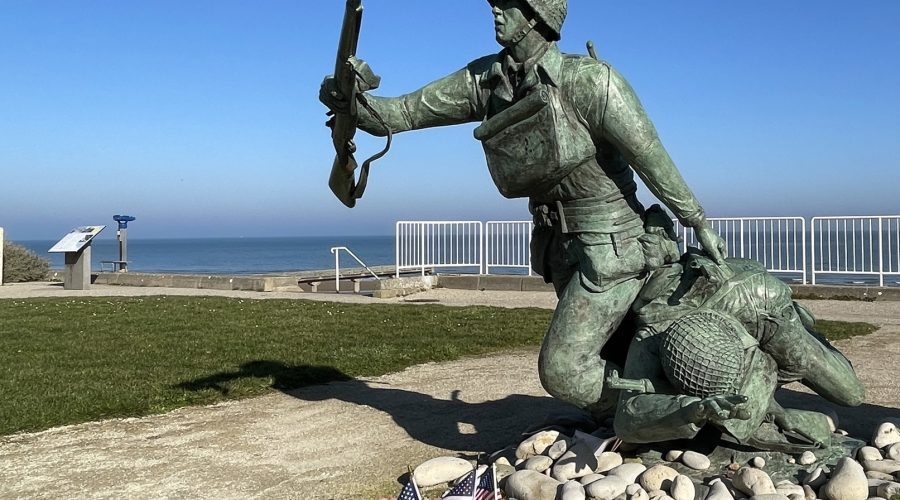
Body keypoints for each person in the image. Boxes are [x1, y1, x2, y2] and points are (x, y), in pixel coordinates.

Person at [320, 0, 726, 418]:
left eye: (507, 4)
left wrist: (696, 221)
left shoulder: (590, 82)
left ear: (538, 15)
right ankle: (645, 421)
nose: (495, 11)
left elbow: (650, 156)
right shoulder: (486, 80)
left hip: (614, 246)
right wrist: (350, 100)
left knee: (563, 370)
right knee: (615, 351)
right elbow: (401, 113)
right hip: (558, 248)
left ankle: (676, 416)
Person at [612, 252, 865, 449]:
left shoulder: (759, 303)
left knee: (849, 394)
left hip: (758, 303)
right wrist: (690, 409)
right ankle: (763, 399)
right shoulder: (650, 337)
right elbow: (626, 419)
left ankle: (805, 328)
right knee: (741, 417)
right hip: (724, 330)